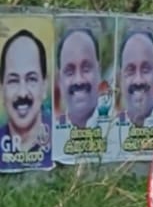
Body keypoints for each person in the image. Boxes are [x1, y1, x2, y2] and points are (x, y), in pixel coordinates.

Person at [2, 30, 50, 159]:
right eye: (13, 80)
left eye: (31, 79)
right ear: (2, 89)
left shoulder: (60, 144)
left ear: (44, 86)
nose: (22, 93)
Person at [58, 27, 104, 129]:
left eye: (86, 69)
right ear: (59, 80)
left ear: (99, 72)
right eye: (70, 72)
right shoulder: (53, 136)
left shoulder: (118, 129)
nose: (79, 80)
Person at [118, 29, 153, 126]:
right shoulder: (109, 132)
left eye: (145, 70)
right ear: (120, 79)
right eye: (130, 70)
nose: (138, 80)